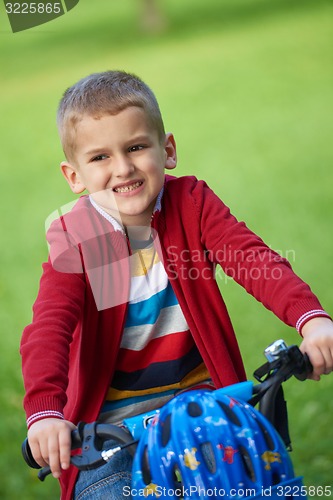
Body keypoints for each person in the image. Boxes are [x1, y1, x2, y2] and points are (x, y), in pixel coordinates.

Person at [21, 70, 333, 500]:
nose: (123, 168)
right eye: (100, 158)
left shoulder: (192, 204)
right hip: (111, 436)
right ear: (73, 176)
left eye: (135, 147)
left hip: (202, 411)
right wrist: (45, 412)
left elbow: (253, 259)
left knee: (254, 481)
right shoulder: (79, 236)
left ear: (167, 149)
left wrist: (311, 321)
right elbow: (50, 327)